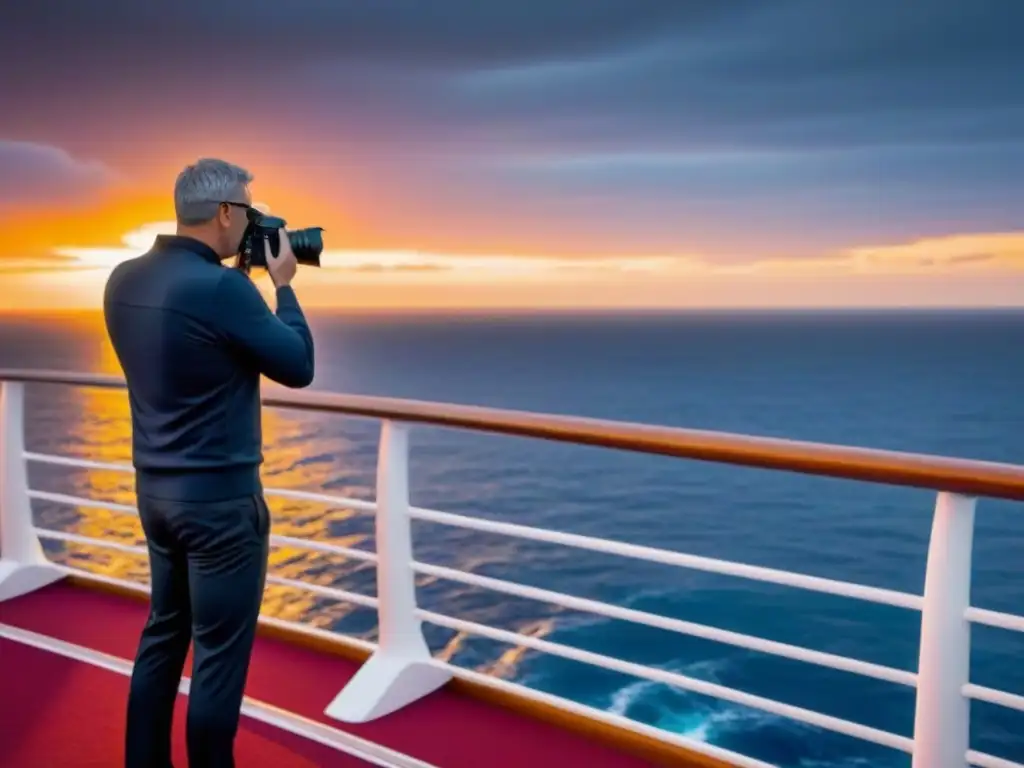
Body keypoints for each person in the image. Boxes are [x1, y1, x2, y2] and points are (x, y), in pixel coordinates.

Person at [102, 158, 315, 768]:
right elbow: (298, 366)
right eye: (248, 212)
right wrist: (284, 285)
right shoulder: (225, 290)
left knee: (163, 636)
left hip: (157, 496)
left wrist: (241, 280)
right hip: (220, 508)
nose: (250, 223)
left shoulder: (123, 278)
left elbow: (188, 352)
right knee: (217, 661)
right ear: (226, 213)